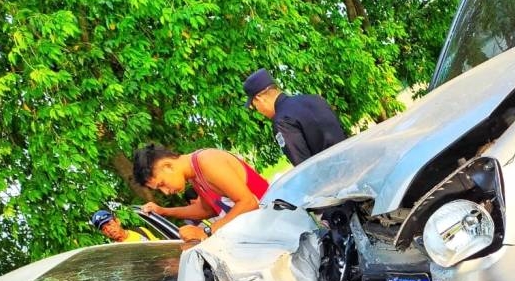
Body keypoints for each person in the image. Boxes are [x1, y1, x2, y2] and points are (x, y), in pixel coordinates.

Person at [133, 144, 269, 242]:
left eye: (162, 184)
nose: (166, 192)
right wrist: (163, 211)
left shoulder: (208, 161)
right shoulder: (194, 176)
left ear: (168, 166)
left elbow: (249, 203)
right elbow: (207, 210)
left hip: (275, 223)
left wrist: (206, 232)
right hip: (261, 233)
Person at [244, 68, 347, 166]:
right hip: (351, 164)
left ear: (259, 99)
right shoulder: (315, 99)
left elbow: (303, 166)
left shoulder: (282, 121)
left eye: (254, 106)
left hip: (332, 179)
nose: (259, 111)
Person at [90, 210, 157, 244]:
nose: (108, 230)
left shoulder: (141, 231)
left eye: (109, 224)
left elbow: (158, 246)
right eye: (104, 229)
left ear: (117, 221)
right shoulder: (113, 252)